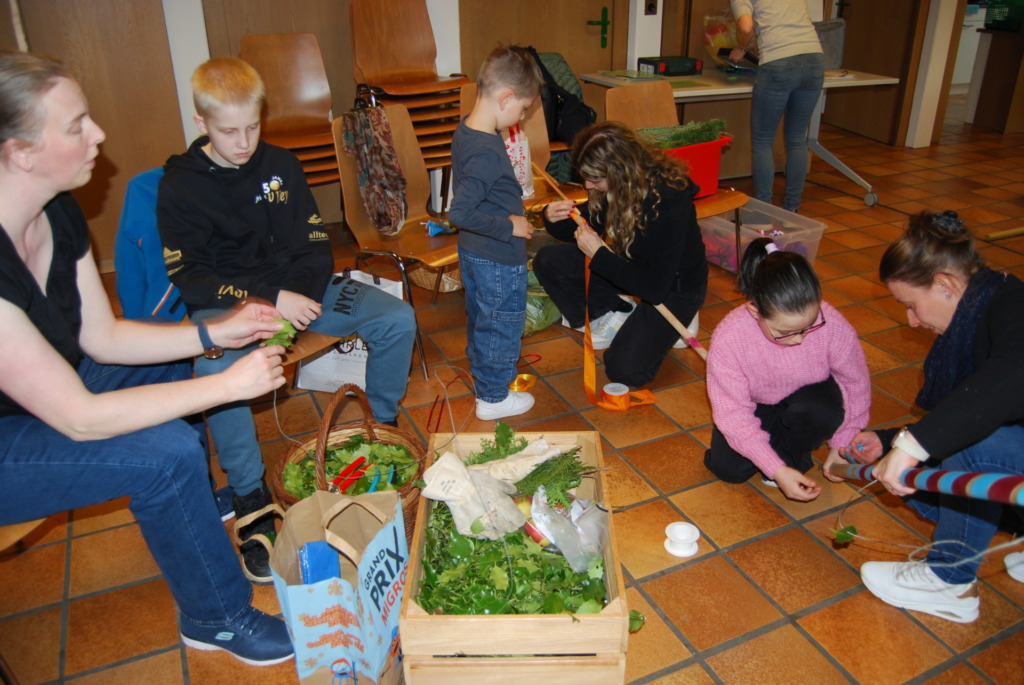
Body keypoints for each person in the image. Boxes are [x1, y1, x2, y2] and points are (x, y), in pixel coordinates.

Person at [0, 51, 293, 666]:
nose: (99, 134)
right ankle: (217, 616)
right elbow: (79, 417)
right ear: (21, 151)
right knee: (167, 455)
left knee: (173, 351)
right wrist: (227, 385)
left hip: (46, 394)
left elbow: (104, 338)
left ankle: (185, 497)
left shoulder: (56, 210)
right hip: (12, 437)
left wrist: (216, 334)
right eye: (77, 124)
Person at [157, 58, 416, 583]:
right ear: (201, 121)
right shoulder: (180, 186)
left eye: (253, 126)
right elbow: (194, 279)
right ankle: (251, 496)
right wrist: (274, 301)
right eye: (229, 131)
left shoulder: (283, 165)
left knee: (397, 318)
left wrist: (296, 295)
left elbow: (316, 245)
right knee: (215, 374)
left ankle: (379, 429)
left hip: (301, 291)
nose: (244, 142)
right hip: (229, 305)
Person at [823, 210, 1024, 624]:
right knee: (940, 459)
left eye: (910, 305)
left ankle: (947, 580)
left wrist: (914, 446)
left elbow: (1005, 385)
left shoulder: (1013, 306)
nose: (911, 320)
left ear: (945, 285)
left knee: (965, 449)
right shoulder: (985, 304)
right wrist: (892, 438)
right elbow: (973, 410)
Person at [534, 121, 706, 388]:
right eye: (586, 177)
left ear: (620, 171)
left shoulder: (668, 200)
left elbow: (654, 288)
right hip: (634, 269)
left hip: (672, 287)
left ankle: (682, 317)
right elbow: (587, 224)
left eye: (595, 179)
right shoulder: (618, 186)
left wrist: (600, 255)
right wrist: (551, 217)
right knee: (548, 261)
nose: (588, 186)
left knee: (623, 370)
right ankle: (615, 312)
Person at [705, 238, 870, 502]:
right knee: (729, 470)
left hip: (808, 393)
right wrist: (776, 469)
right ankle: (777, 448)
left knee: (821, 412)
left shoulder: (832, 323)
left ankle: (793, 448)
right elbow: (733, 413)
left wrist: (843, 441)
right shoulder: (729, 338)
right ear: (755, 311)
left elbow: (855, 382)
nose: (800, 339)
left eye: (809, 326)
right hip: (757, 400)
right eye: (785, 332)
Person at [449, 46, 543, 421]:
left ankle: (486, 379)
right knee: (502, 326)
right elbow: (460, 212)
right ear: (505, 98)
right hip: (497, 256)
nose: (521, 117)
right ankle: (492, 397)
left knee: (483, 320)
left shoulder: (467, 129)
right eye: (522, 109)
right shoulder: (487, 152)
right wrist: (510, 224)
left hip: (475, 253)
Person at [729, 0, 824, 212]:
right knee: (797, 140)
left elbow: (745, 27)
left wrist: (742, 47)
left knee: (763, 142)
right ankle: (792, 209)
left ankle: (763, 211)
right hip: (814, 58)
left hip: (778, 62)